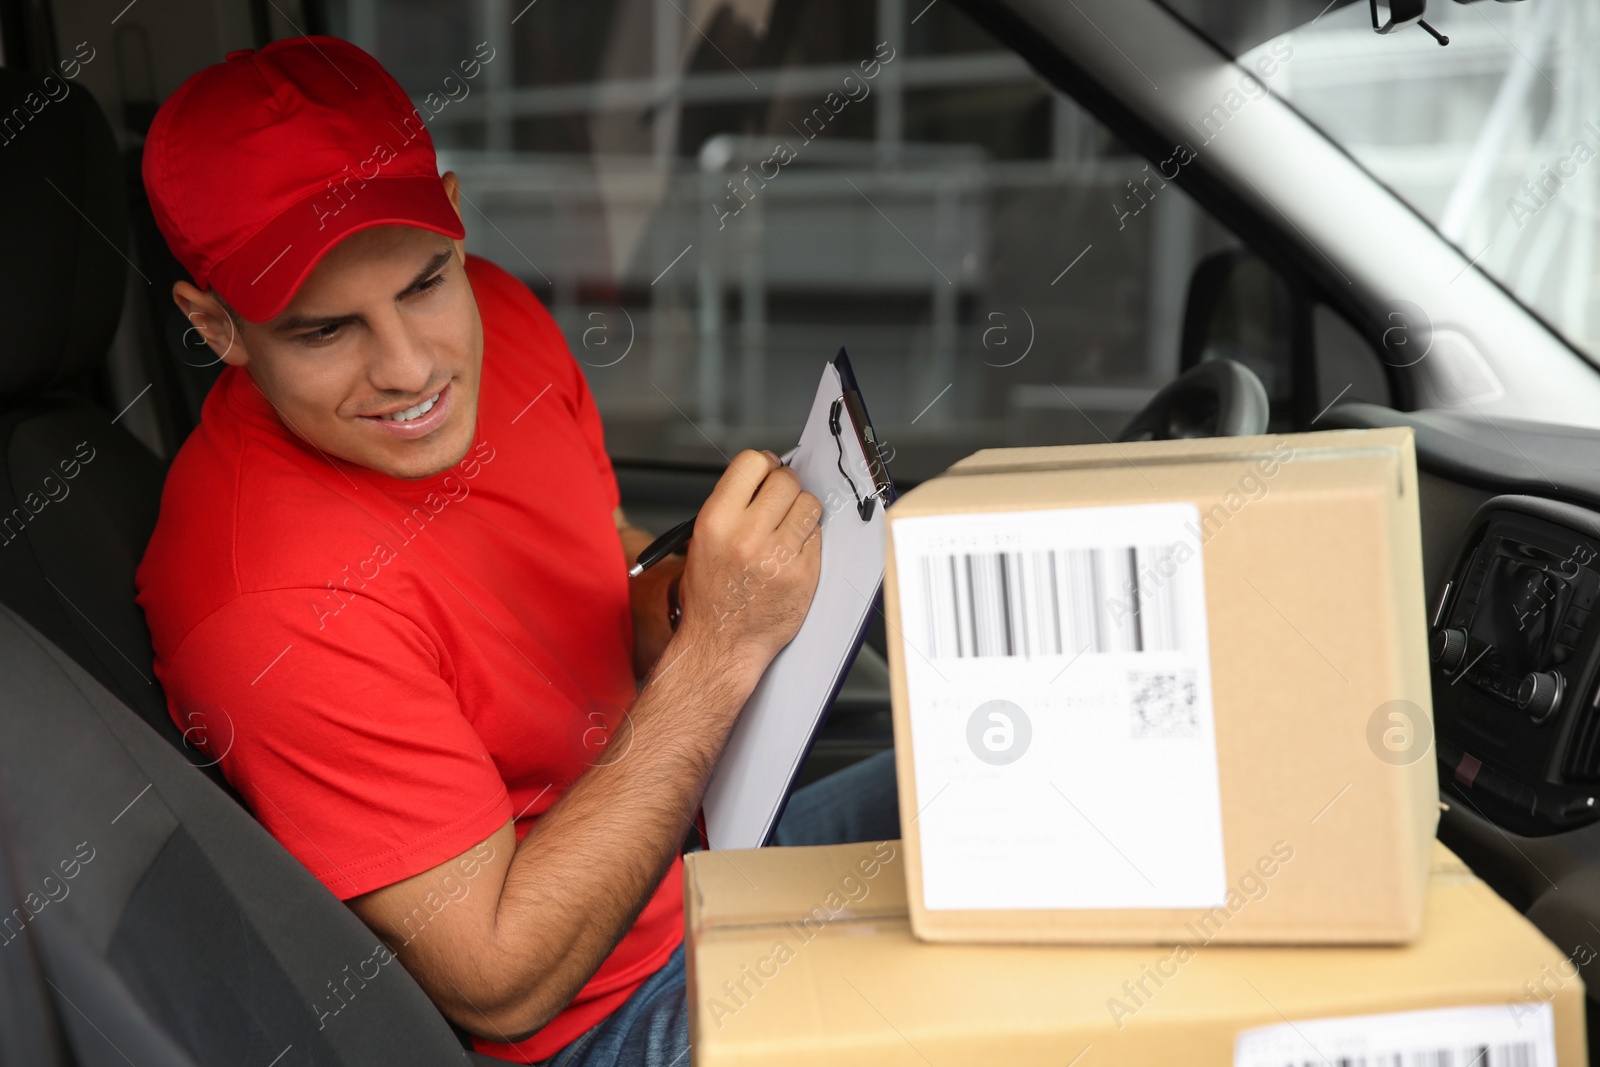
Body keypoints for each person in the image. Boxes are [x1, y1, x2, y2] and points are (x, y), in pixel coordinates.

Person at [134, 36, 898, 1066]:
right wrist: (718, 649)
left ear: (452, 214)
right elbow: (503, 982)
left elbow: (597, 568)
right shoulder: (266, 602)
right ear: (216, 325)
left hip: (696, 868)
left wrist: (688, 593)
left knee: (1038, 788)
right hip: (603, 1017)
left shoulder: (499, 317)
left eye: (422, 282)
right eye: (324, 332)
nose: (410, 367)